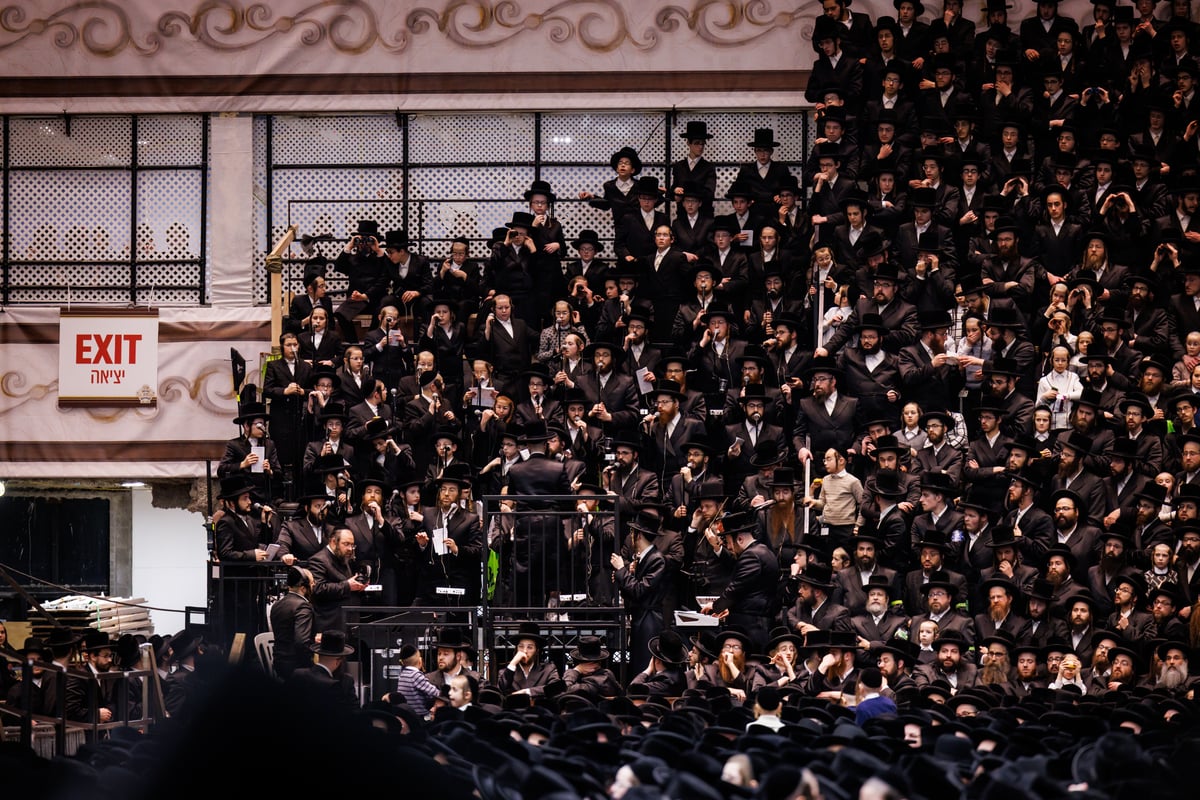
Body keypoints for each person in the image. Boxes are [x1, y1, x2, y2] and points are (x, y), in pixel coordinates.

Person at [612, 511, 669, 673]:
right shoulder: (643, 558)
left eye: (632, 532)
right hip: (641, 619)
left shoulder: (657, 559)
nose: (630, 536)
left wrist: (621, 570)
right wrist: (622, 576)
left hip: (649, 622)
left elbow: (639, 590)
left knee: (644, 667)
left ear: (638, 535)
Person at [308, 527, 368, 633]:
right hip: (331, 623)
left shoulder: (343, 557)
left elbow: (346, 585)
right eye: (346, 544)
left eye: (352, 545)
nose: (350, 548)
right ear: (333, 542)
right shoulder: (318, 560)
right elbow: (318, 588)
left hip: (348, 621)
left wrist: (358, 587)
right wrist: (348, 586)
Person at [287, 629, 359, 713]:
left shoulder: (297, 674)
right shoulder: (341, 683)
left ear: (318, 654)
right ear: (339, 660)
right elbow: (353, 714)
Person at [269, 566, 316, 680]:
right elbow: (301, 643)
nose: (314, 584)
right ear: (303, 588)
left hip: (279, 663)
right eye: (312, 582)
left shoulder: (277, 604)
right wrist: (313, 664)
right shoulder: (303, 606)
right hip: (297, 667)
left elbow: (287, 632)